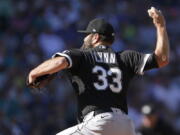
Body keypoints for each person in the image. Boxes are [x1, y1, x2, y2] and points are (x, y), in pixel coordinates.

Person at [27, 7, 169, 135]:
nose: (84, 38)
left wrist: (34, 73)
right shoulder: (126, 57)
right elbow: (162, 59)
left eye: (87, 34)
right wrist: (161, 27)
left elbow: (60, 62)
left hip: (98, 124)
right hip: (125, 125)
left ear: (95, 37)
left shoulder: (82, 55)